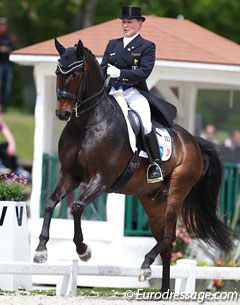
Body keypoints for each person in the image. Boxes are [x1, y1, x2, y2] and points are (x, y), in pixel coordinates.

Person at [100, 6, 164, 183]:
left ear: (139, 24)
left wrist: (120, 73)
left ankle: (155, 164)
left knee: (145, 122)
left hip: (132, 92)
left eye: (129, 22)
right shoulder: (113, 44)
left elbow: (144, 72)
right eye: (124, 22)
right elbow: (102, 68)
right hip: (112, 92)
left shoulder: (147, 46)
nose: (125, 25)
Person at [0, 17, 15, 112]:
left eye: (4, 25)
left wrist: (7, 49)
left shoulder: (10, 37)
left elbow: (14, 49)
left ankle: (4, 107)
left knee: (7, 87)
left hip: (8, 64)